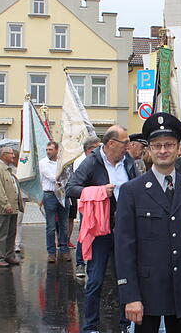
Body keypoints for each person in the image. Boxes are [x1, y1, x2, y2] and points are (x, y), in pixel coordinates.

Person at [115, 112, 181, 333]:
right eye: (156, 145)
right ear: (149, 149)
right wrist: (130, 296)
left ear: (179, 147)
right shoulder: (131, 191)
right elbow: (124, 248)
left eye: (168, 145)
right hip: (146, 292)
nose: (162, 150)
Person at [66, 125, 137, 333]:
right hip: (100, 229)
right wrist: (98, 191)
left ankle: (126, 324)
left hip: (125, 228)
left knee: (124, 277)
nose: (128, 146)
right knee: (95, 280)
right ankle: (90, 326)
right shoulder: (92, 162)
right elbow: (71, 188)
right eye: (125, 143)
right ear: (111, 144)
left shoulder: (129, 162)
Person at [71, 135, 102, 278]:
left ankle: (94, 262)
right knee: (85, 232)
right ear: (90, 149)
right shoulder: (82, 162)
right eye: (98, 147)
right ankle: (80, 263)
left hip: (99, 203)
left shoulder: (98, 160)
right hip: (88, 204)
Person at [0, 147, 23, 268]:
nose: (13, 156)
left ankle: (9, 255)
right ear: (4, 155)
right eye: (11, 154)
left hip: (13, 207)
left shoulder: (8, 169)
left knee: (10, 233)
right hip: (3, 209)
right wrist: (6, 204)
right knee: (1, 234)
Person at [40, 141, 70, 263]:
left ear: (57, 150)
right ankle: (51, 252)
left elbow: (68, 176)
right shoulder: (43, 163)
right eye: (47, 149)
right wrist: (61, 178)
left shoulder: (63, 162)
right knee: (51, 226)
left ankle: (64, 249)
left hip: (63, 194)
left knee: (64, 224)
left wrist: (62, 179)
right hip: (50, 195)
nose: (48, 151)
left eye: (50, 149)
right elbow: (53, 177)